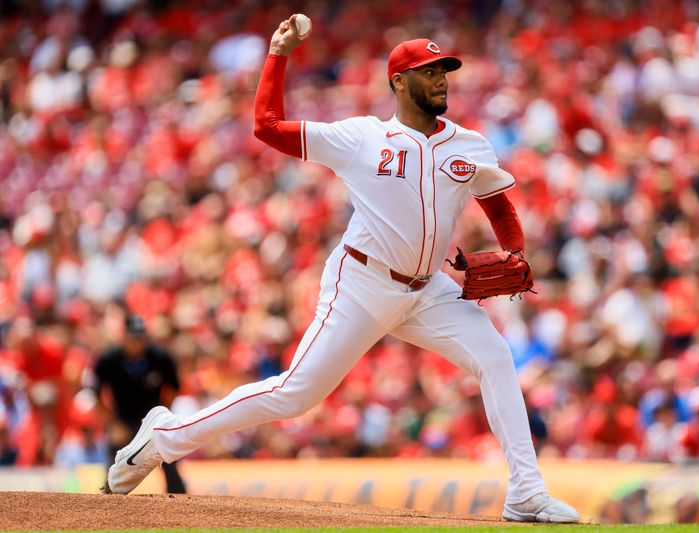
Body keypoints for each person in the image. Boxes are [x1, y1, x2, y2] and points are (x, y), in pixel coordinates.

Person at [104, 15, 579, 523]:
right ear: (399, 81)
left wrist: (515, 250)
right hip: (363, 283)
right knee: (294, 395)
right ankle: (164, 436)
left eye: (445, 70)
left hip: (429, 292)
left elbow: (499, 205)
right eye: (430, 70)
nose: (441, 78)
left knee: (496, 357)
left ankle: (526, 492)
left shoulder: (469, 144)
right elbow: (267, 127)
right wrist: (278, 54)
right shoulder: (361, 138)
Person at [96, 314, 186, 493]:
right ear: (124, 336)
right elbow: (95, 394)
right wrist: (113, 423)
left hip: (152, 420)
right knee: (113, 466)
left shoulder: (160, 358)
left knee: (169, 461)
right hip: (122, 419)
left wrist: (164, 415)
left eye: (140, 337)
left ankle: (179, 504)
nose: (137, 342)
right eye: (133, 337)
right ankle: (106, 501)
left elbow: (174, 388)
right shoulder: (109, 360)